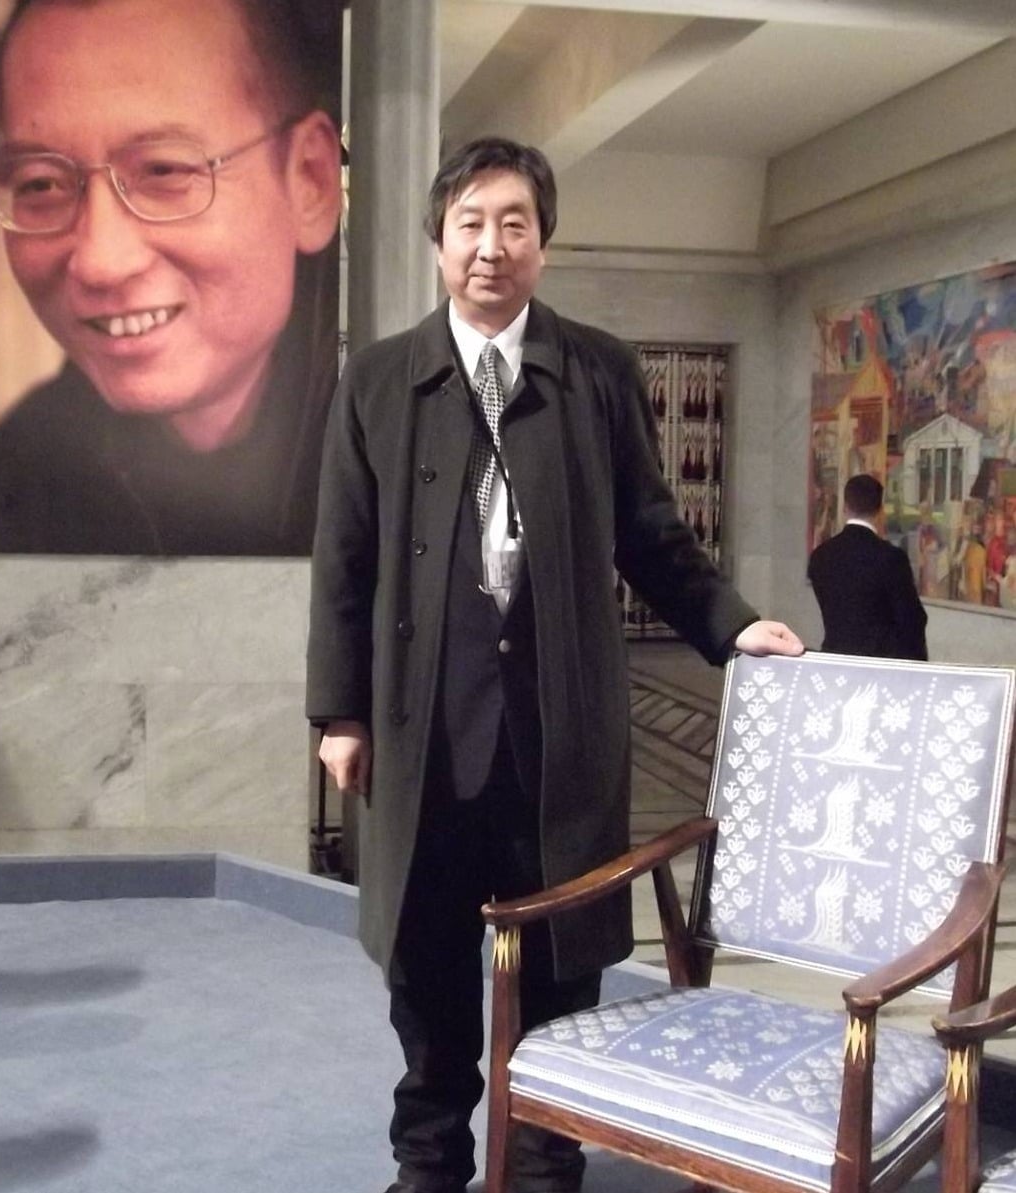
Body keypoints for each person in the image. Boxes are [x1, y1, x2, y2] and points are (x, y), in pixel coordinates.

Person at [306, 136, 804, 1193]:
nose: (491, 246)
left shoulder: (597, 371)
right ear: (439, 240)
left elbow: (651, 531)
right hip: (427, 731)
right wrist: (339, 712)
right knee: (428, 959)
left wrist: (730, 624)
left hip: (559, 727)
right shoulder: (379, 380)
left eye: (514, 224)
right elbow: (343, 558)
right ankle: (429, 1159)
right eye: (470, 224)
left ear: (543, 241)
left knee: (561, 958)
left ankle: (543, 1156)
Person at [0, 0, 342, 555]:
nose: (99, 261)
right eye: (40, 184)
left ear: (310, 180)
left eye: (164, 171)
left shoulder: (421, 452)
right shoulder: (5, 496)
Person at [807, 473, 928, 660]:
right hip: (879, 664)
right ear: (880, 510)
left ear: (845, 507)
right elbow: (912, 619)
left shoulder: (820, 556)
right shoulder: (892, 558)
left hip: (834, 658)